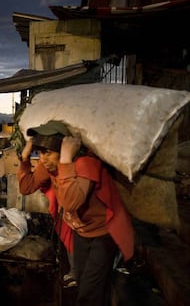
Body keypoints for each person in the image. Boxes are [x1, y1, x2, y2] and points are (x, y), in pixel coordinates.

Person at [18, 120, 135, 306]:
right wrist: (24, 158)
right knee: (84, 283)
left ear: (64, 148)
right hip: (81, 233)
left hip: (104, 234)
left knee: (89, 292)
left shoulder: (86, 163)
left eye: (47, 152)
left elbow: (71, 202)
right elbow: (26, 187)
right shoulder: (51, 165)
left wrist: (65, 160)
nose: (42, 159)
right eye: (39, 153)